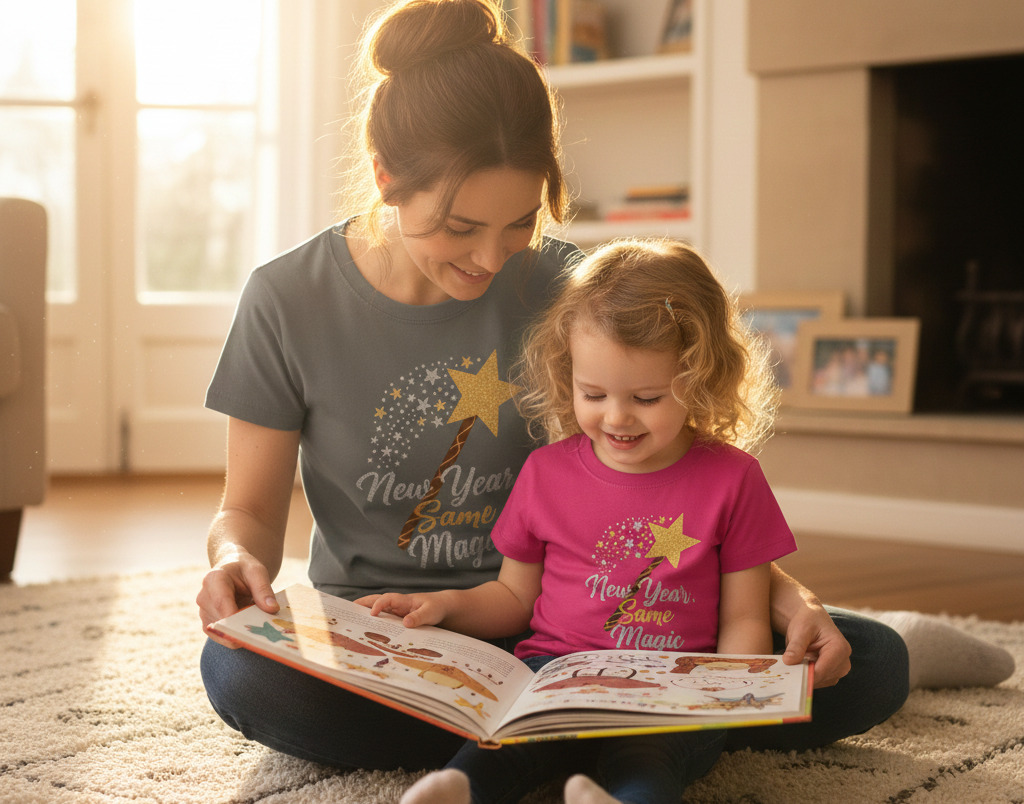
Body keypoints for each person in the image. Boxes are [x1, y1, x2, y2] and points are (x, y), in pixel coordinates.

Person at [195, 0, 917, 778]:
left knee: (871, 661)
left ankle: (519, 748)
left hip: (585, 627)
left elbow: (686, 491)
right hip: (390, 638)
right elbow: (251, 511)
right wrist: (234, 560)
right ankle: (594, 742)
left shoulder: (574, 291)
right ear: (385, 177)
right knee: (240, 673)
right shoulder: (286, 300)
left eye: (520, 224)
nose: (491, 259)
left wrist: (793, 605)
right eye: (460, 226)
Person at [359, 237, 798, 803]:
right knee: (501, 743)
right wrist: (445, 606)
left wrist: (728, 697)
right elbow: (514, 600)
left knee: (650, 763)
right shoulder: (545, 472)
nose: (616, 417)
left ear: (701, 376)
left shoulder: (733, 479)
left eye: (646, 397)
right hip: (554, 679)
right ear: (567, 372)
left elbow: (743, 619)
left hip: (668, 695)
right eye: (593, 393)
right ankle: (459, 794)